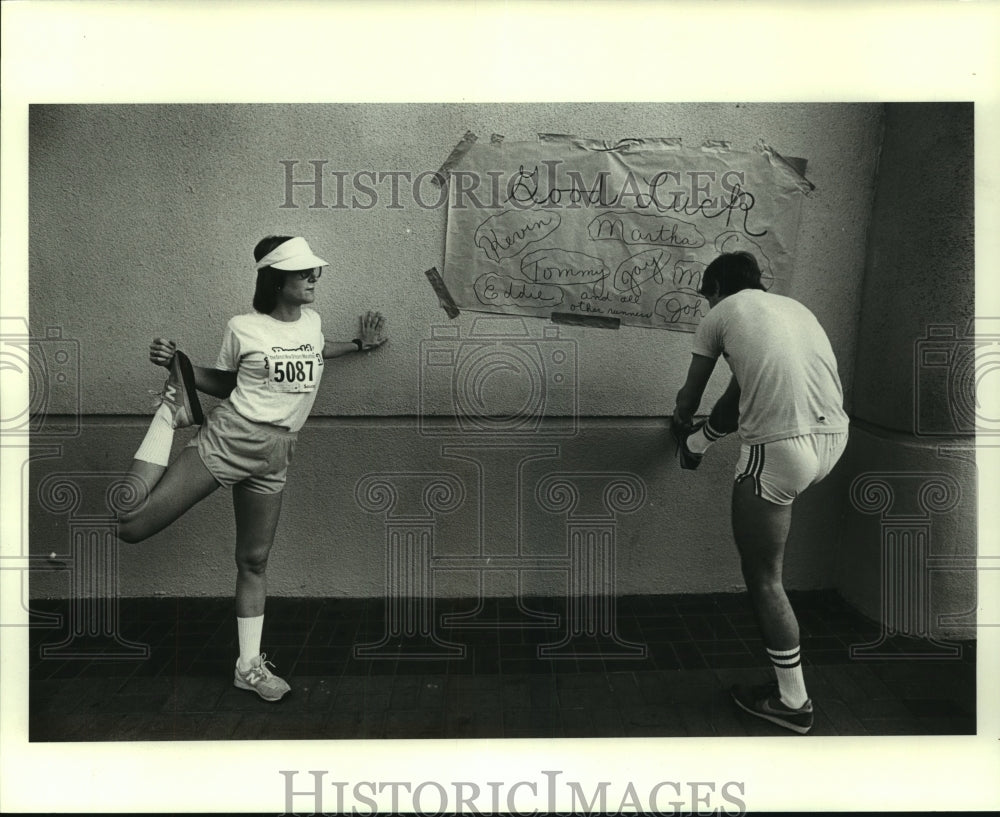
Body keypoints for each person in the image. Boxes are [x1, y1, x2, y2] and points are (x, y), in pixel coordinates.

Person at [117, 235, 387, 702]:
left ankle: (249, 668)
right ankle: (170, 415)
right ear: (276, 279)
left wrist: (362, 343)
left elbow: (316, 351)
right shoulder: (244, 327)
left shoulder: (312, 322)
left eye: (314, 271)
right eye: (303, 273)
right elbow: (228, 381)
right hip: (230, 437)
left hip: (277, 453)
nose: (314, 278)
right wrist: (181, 366)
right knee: (131, 522)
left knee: (254, 560)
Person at [671, 251, 849, 734]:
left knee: (765, 578)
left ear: (714, 288)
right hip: (833, 441)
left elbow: (692, 395)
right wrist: (702, 441)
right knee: (770, 571)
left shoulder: (720, 314)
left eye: (706, 295)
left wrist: (682, 426)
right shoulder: (795, 309)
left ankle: (793, 702)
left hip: (779, 449)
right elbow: (737, 397)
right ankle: (788, 694)